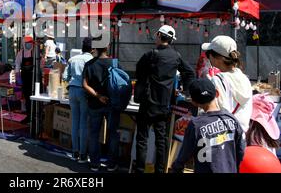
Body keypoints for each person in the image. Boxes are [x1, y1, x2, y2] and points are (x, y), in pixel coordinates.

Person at [134, 25, 195, 174]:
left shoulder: (150, 54)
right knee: (161, 141)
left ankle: (140, 170)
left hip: (147, 104)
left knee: (142, 140)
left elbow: (139, 72)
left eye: (157, 35)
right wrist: (185, 90)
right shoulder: (176, 56)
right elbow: (190, 73)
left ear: (160, 36)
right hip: (164, 105)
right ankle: (160, 170)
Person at [170, 78, 245, 173]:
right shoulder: (231, 119)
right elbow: (241, 151)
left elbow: (184, 156)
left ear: (194, 102)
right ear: (217, 93)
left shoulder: (196, 125)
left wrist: (176, 168)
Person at [82, 38, 120, 172]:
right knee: (113, 134)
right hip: (112, 103)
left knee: (94, 134)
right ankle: (111, 164)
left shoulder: (90, 64)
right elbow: (121, 83)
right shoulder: (114, 63)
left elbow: (85, 85)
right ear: (107, 47)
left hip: (94, 103)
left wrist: (98, 96)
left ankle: (94, 164)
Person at [202, 35, 252, 132]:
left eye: (208, 54)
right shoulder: (245, 78)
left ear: (217, 58)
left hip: (225, 137)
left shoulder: (217, 80)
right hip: (242, 134)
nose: (208, 58)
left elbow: (214, 111)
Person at [63, 38, 93, 163]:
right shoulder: (91, 60)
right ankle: (83, 155)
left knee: (75, 121)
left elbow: (65, 77)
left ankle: (74, 153)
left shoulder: (73, 59)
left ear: (82, 48)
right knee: (83, 123)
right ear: (92, 49)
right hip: (84, 92)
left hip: (72, 91)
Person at [15, 36, 34, 124]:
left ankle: (35, 116)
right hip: (25, 79)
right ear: (23, 44)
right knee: (27, 98)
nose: (29, 44)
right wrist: (18, 78)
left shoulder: (35, 53)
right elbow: (17, 67)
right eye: (27, 43)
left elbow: (41, 65)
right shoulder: (20, 54)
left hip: (34, 78)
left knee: (35, 98)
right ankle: (29, 116)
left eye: (30, 42)